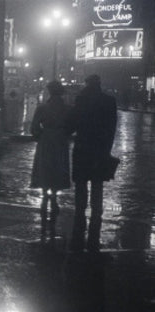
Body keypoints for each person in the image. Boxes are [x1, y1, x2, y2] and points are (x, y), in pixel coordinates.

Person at [65, 75, 117, 251]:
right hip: (100, 147)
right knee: (97, 183)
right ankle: (97, 212)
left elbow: (72, 123)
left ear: (88, 84)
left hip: (83, 146)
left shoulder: (82, 100)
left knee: (80, 182)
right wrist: (107, 149)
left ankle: (80, 212)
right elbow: (112, 127)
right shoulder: (109, 101)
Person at [29, 81, 71, 234]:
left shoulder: (42, 108)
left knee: (45, 166)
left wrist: (39, 135)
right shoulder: (67, 108)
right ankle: (54, 194)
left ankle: (45, 192)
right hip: (60, 140)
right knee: (58, 165)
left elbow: (34, 127)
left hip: (46, 139)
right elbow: (71, 126)